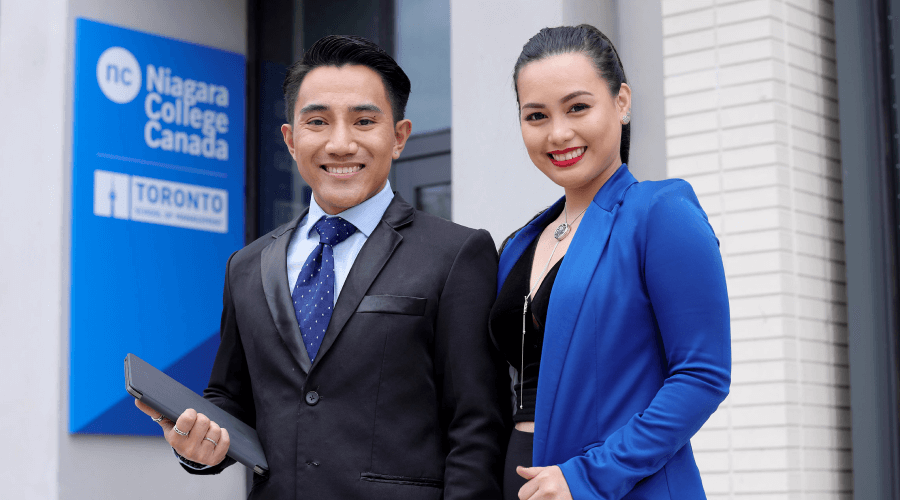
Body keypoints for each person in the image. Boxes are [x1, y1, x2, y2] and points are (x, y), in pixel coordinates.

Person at [135, 34, 509, 499]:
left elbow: (477, 426)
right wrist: (196, 444)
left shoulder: (456, 254)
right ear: (291, 140)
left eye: (364, 121)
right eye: (317, 121)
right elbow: (230, 398)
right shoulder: (246, 266)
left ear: (399, 137)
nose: (340, 143)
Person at [491, 25, 731, 499]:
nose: (558, 132)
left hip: (619, 486)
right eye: (536, 115)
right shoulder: (518, 243)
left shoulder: (659, 214)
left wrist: (585, 477)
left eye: (578, 107)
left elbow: (703, 374)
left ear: (621, 102)